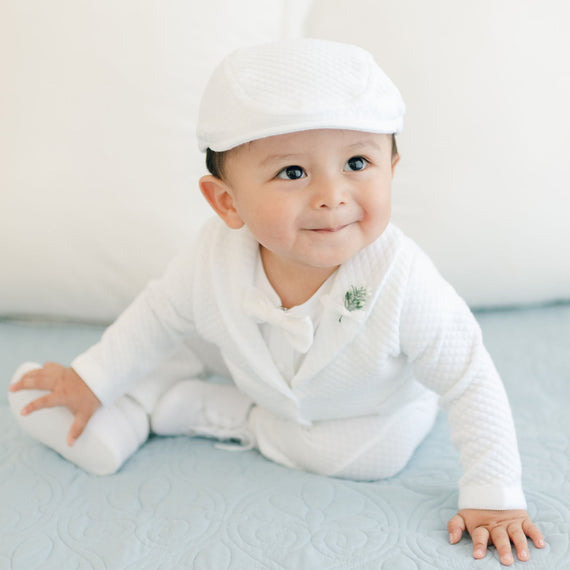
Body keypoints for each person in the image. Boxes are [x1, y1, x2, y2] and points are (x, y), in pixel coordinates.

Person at [8, 38, 544, 565]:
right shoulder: (215, 257)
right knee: (185, 327)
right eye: (293, 172)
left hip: (364, 405)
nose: (332, 195)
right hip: (255, 361)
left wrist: (493, 495)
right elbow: (160, 312)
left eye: (358, 163)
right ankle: (120, 405)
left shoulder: (403, 280)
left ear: (392, 170)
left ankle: (195, 410)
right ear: (227, 201)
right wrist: (92, 376)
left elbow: (469, 376)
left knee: (367, 456)